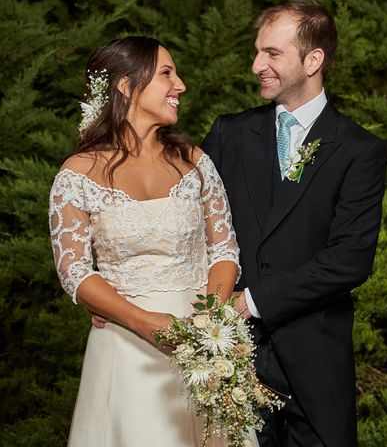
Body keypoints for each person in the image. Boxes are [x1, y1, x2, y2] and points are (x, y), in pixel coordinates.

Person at [49, 36, 255, 446]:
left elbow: (224, 248)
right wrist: (145, 324)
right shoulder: (78, 174)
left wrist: (209, 323)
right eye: (166, 74)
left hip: (203, 344)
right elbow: (74, 271)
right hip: (126, 347)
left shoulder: (195, 162)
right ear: (126, 86)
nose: (180, 85)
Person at [201, 0, 387, 447]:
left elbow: (350, 260)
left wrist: (253, 300)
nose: (256, 65)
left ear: (313, 60)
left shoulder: (359, 150)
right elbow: (193, 228)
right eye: (257, 51)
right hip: (232, 356)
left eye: (271, 53)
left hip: (314, 355)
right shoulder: (229, 133)